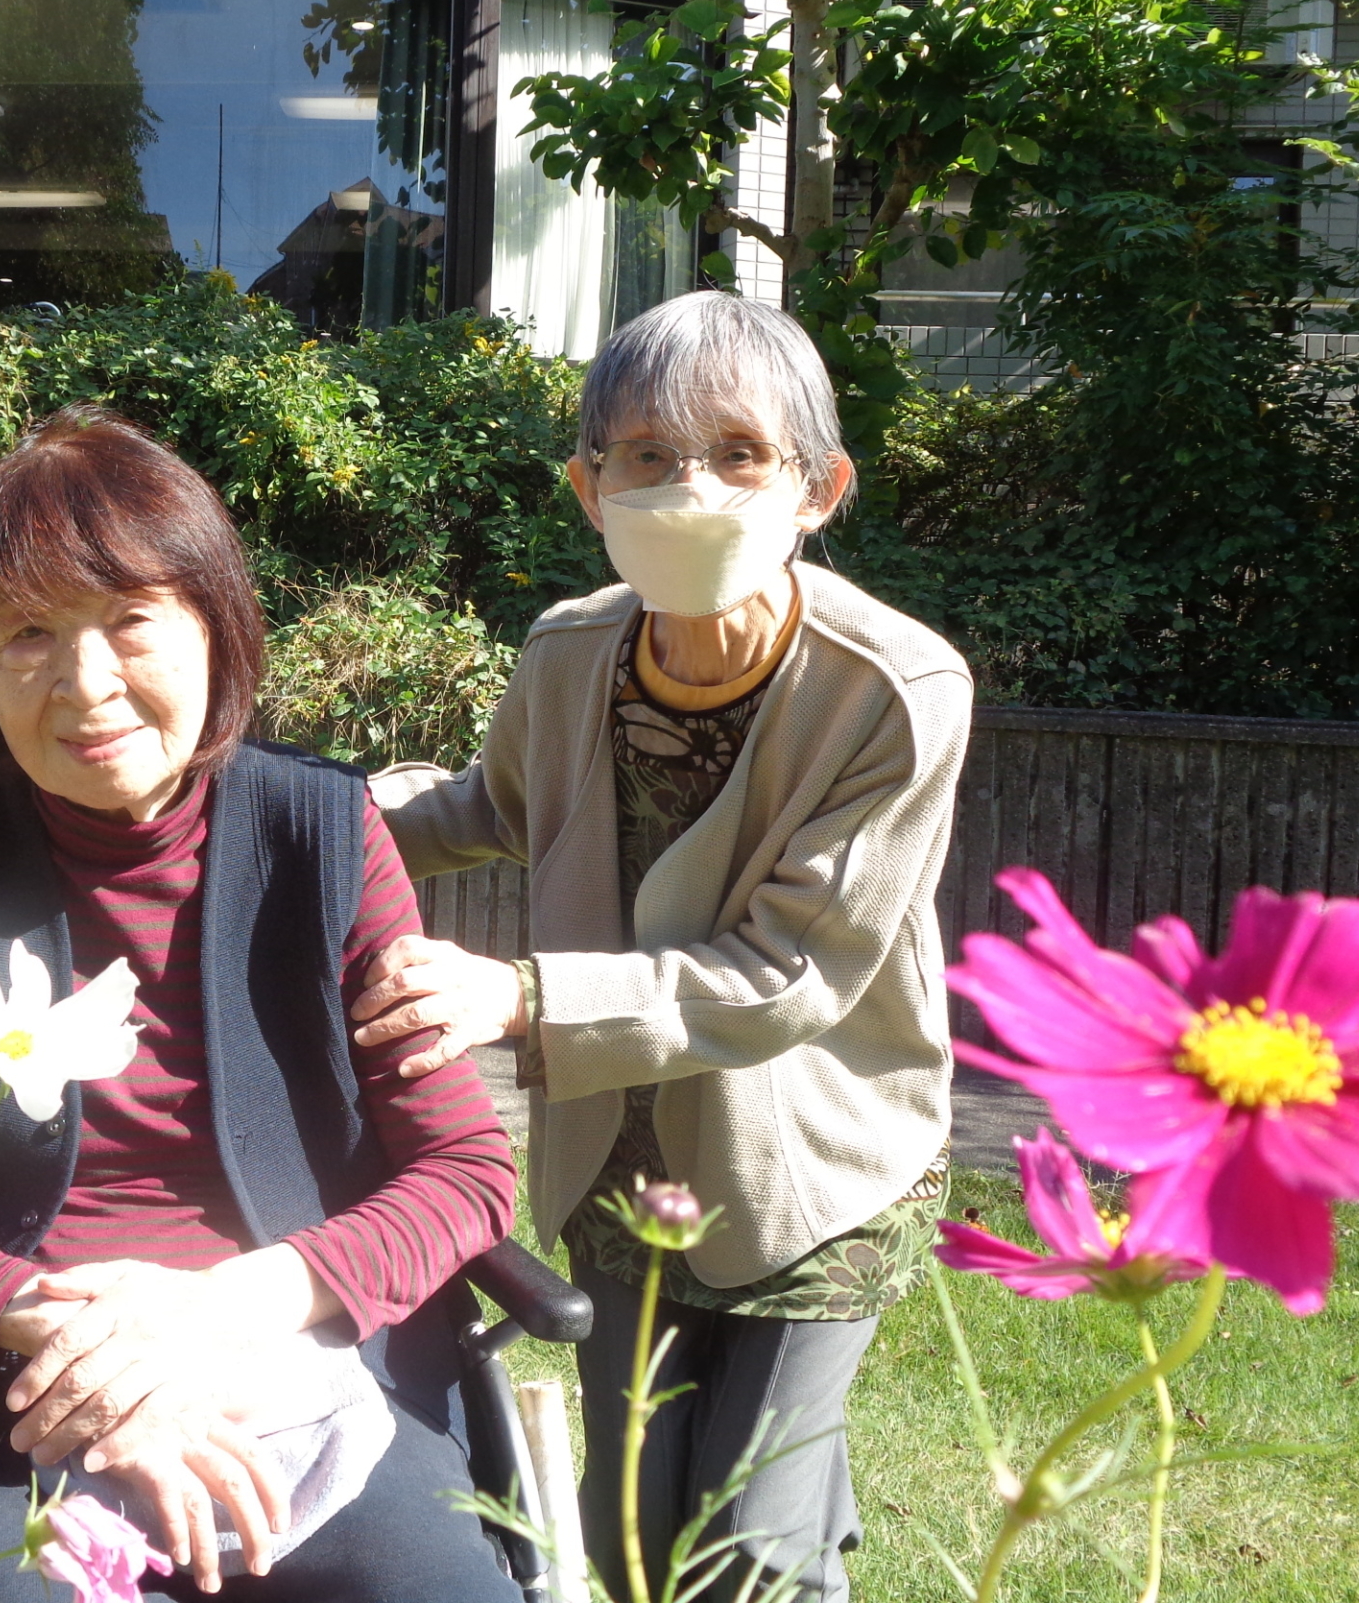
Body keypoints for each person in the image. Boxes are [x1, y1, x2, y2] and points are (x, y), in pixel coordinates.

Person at [0, 408, 521, 1603]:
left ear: (216, 629)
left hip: (284, 1345)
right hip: (8, 1382)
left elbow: (465, 1168)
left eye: (130, 623)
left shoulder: (325, 836)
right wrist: (55, 1335)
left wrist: (215, 1315)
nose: (85, 682)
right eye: (30, 635)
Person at [353, 292, 973, 1603]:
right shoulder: (571, 653)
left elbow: (790, 971)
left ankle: (790, 1538)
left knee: (742, 1556)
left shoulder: (893, 690)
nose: (690, 485)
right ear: (588, 486)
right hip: (619, 1155)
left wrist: (514, 998)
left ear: (820, 487)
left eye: (741, 452)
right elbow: (495, 811)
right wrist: (306, 817)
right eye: (645, 454)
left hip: (811, 1163)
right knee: (636, 1528)